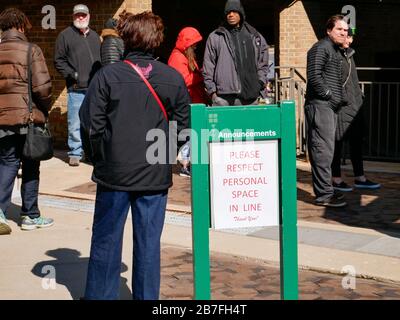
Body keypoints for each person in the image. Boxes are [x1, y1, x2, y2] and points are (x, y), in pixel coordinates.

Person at [80, 11, 190, 300]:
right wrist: (164, 158)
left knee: (105, 241)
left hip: (114, 173)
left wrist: (101, 157)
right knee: (149, 245)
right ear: (158, 39)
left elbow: (91, 123)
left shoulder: (107, 76)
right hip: (154, 175)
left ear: (126, 38)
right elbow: (183, 127)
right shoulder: (172, 78)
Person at [0, 8, 54, 235]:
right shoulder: (31, 50)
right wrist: (46, 106)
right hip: (29, 118)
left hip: (3, 118)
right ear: (21, 26)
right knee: (31, 164)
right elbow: (43, 88)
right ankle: (30, 215)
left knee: (7, 162)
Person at [305, 15, 348, 208]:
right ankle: (323, 194)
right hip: (321, 105)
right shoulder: (321, 48)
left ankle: (326, 190)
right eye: (340, 29)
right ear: (329, 30)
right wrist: (329, 95)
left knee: (327, 151)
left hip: (328, 106)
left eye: (346, 30)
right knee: (322, 151)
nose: (344, 33)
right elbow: (314, 75)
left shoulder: (335, 50)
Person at [331, 28, 381, 192]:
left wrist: (359, 97)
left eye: (350, 36)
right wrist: (342, 100)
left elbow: (353, 80)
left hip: (355, 105)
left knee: (356, 142)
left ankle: (360, 177)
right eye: (345, 36)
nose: (348, 40)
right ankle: (336, 179)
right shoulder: (335, 55)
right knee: (337, 143)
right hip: (342, 106)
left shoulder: (349, 55)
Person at [54, 4, 101, 167]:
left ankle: (91, 152)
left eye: (83, 15)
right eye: (77, 15)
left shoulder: (95, 36)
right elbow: (58, 61)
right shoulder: (65, 36)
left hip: (95, 89)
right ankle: (75, 152)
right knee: (74, 122)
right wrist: (73, 75)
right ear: (73, 17)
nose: (80, 18)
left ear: (88, 16)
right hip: (76, 88)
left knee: (94, 122)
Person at [203, 0, 269, 106]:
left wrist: (260, 82)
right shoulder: (215, 37)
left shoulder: (254, 35)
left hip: (251, 97)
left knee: (250, 123)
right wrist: (212, 93)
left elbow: (263, 61)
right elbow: (208, 65)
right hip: (224, 98)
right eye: (228, 12)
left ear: (241, 13)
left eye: (234, 11)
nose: (231, 15)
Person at [168, 27, 207, 177]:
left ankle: (187, 164)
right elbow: (183, 79)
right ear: (187, 44)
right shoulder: (177, 57)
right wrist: (202, 76)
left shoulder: (183, 56)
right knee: (189, 135)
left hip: (193, 100)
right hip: (187, 102)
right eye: (194, 44)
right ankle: (185, 165)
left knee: (192, 135)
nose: (196, 47)